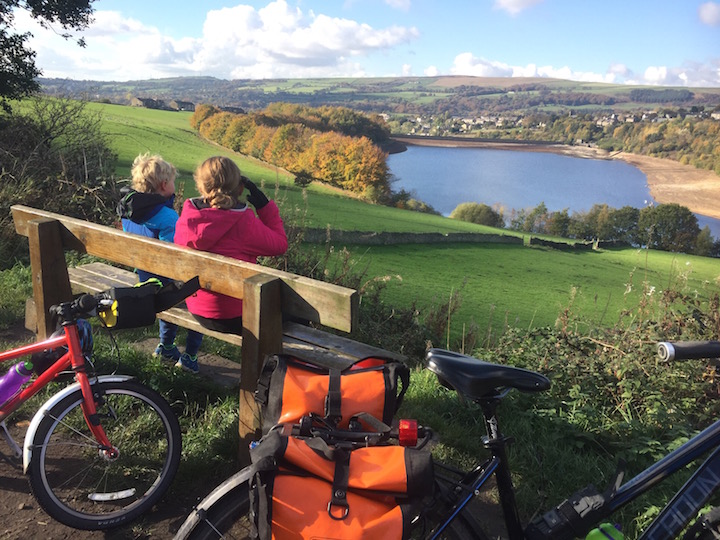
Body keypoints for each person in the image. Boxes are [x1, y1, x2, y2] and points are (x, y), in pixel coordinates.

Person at [174, 156, 288, 372]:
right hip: (234, 316)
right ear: (240, 187)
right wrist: (265, 206)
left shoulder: (187, 217)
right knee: (290, 314)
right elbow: (280, 245)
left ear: (200, 185)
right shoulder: (243, 222)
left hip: (197, 309)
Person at [116, 152, 204, 372]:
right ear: (164, 185)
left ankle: (166, 346)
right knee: (200, 294)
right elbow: (175, 260)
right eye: (173, 181)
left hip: (145, 277)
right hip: (163, 284)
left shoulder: (128, 212)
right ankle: (190, 357)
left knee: (168, 287)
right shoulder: (167, 217)